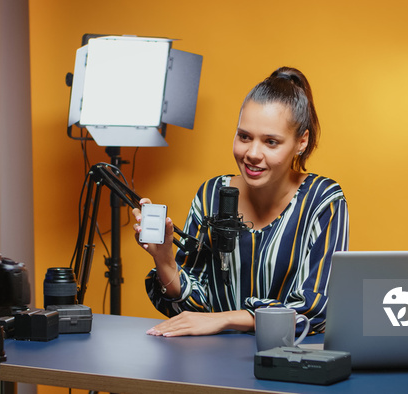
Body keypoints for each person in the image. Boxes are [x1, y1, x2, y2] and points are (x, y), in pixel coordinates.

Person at [132, 66, 349, 337]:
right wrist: (164, 260)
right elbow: (193, 306)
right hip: (214, 359)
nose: (252, 154)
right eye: (244, 136)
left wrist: (226, 319)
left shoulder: (323, 200)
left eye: (271, 142)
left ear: (301, 142)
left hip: (289, 364)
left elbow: (314, 311)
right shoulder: (211, 194)